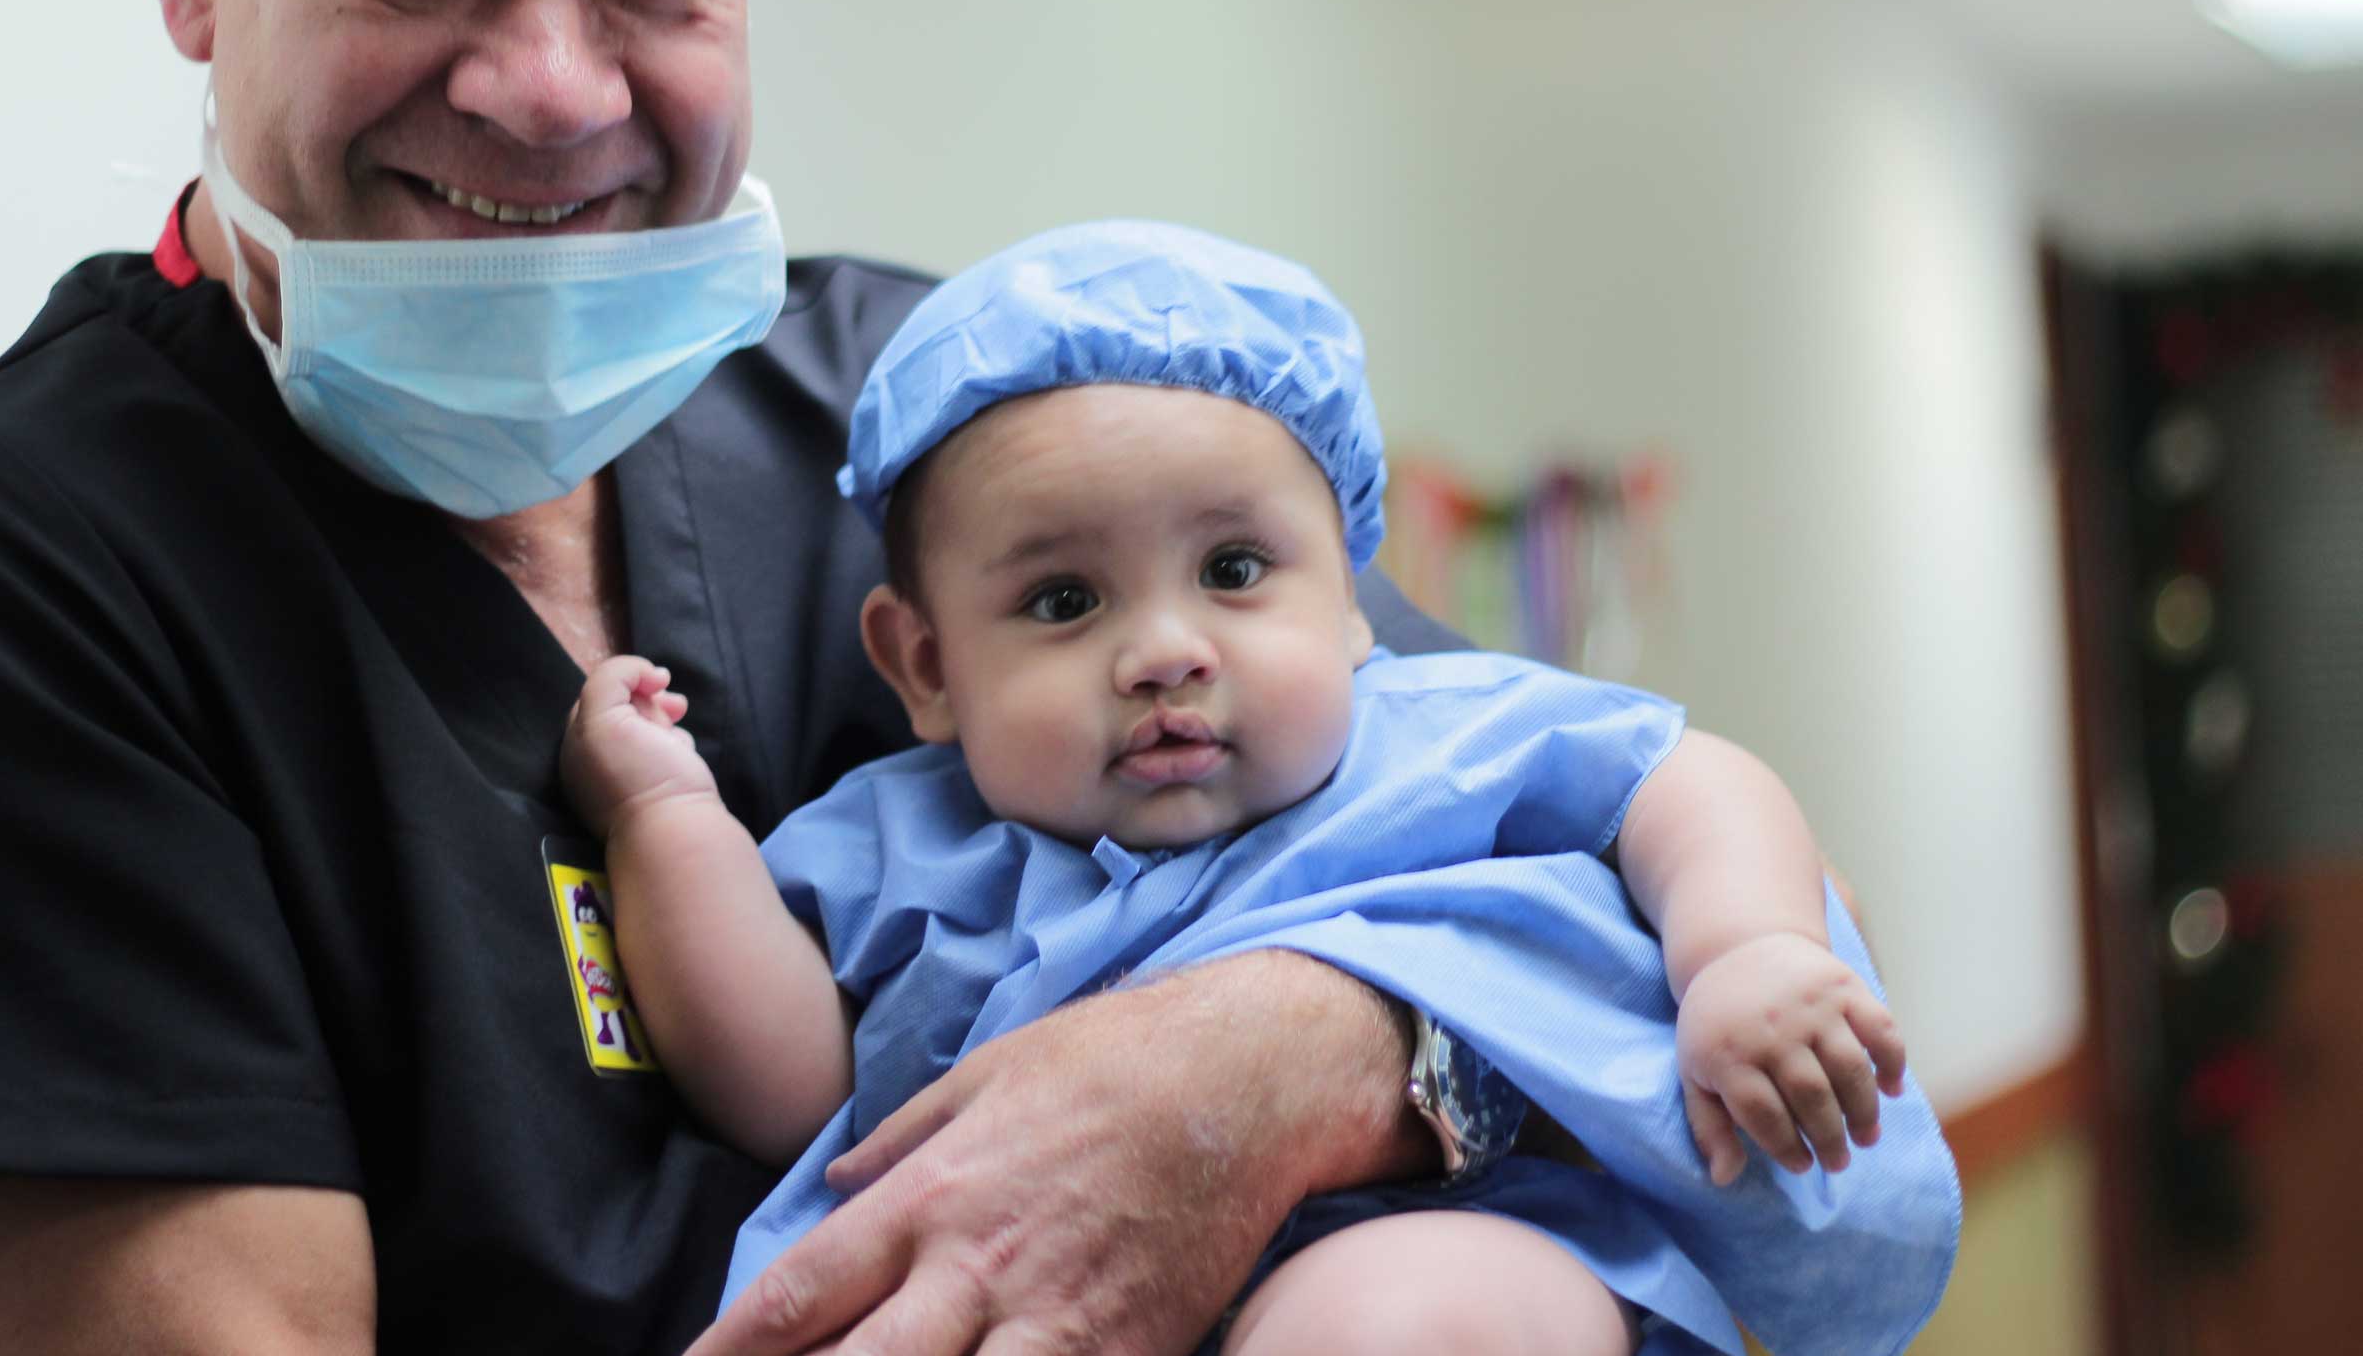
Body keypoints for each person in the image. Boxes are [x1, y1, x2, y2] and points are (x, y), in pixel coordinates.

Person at [0, 0, 1521, 1352]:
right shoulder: (11, 561)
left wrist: (1279, 1063)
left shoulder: (956, 432)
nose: (553, 86)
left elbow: (1582, 845)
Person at [562, 221, 1961, 1356]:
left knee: (1393, 1324)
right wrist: (665, 820)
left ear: (1351, 598)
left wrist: (1743, 948)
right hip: (1028, 1307)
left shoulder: (1435, 737)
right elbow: (786, 1084)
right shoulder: (905, 841)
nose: (1163, 652)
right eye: (1064, 600)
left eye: (1233, 571)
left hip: (1437, 1249)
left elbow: (1680, 779)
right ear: (924, 665)